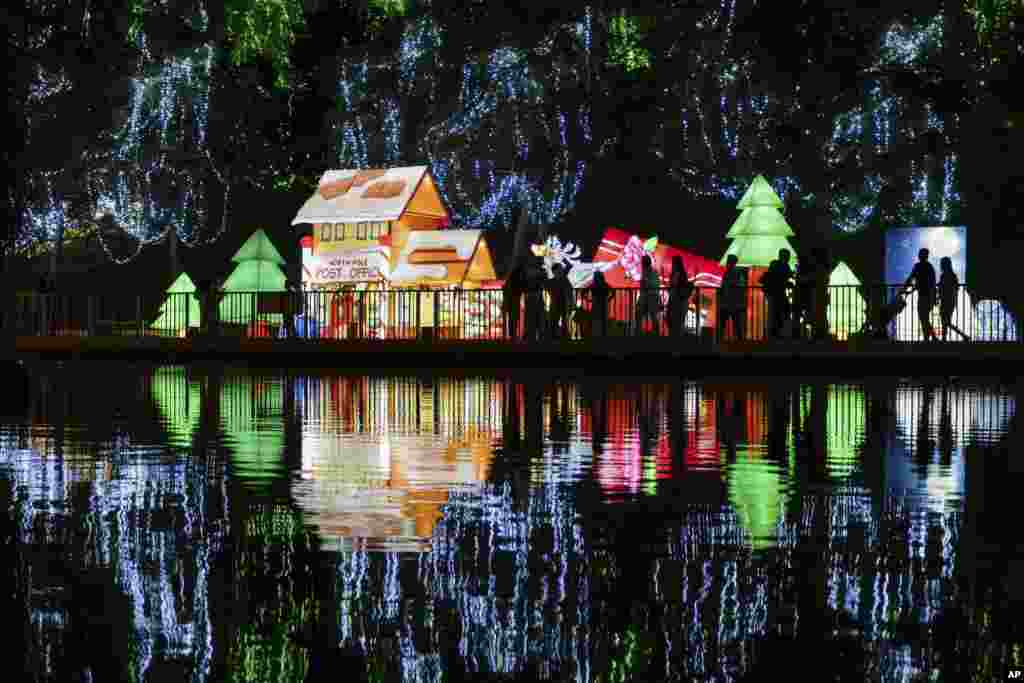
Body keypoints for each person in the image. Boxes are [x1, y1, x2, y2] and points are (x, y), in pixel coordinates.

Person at [904, 247, 937, 341]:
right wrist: (934, 297)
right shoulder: (929, 267)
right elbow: (932, 283)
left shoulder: (918, 266)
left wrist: (905, 289)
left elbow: (911, 278)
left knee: (923, 317)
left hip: (923, 295)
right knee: (924, 317)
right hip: (928, 295)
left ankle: (929, 337)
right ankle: (931, 337)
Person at [938, 256, 970, 341]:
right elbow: (956, 288)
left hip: (946, 301)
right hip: (950, 301)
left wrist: (939, 295)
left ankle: (962, 336)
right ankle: (945, 338)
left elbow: (941, 288)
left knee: (945, 321)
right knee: (946, 321)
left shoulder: (944, 276)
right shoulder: (952, 275)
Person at [763, 249, 793, 339]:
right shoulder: (782, 265)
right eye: (787, 256)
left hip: (775, 293)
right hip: (776, 293)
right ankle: (776, 333)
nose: (787, 258)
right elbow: (782, 278)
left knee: (776, 313)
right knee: (778, 313)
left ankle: (775, 333)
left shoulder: (776, 264)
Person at [717, 254, 746, 341]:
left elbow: (739, 286)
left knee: (727, 322)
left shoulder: (733, 273)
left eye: (729, 261)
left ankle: (721, 340)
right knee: (735, 323)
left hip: (730, 302)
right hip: (732, 302)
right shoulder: (735, 273)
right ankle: (739, 340)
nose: (727, 263)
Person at [667, 255, 695, 337]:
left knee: (674, 321)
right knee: (678, 322)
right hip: (680, 300)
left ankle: (674, 339)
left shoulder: (676, 274)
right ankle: (678, 339)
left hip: (676, 300)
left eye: (674, 263)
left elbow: (673, 285)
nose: (673, 265)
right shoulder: (682, 274)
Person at [634, 255, 661, 335]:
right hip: (646, 297)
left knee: (652, 316)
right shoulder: (648, 271)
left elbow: (654, 284)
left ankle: (655, 332)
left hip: (650, 297)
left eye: (643, 262)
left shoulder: (651, 272)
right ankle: (640, 332)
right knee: (643, 314)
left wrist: (645, 281)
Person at [547, 263, 574, 339]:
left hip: (563, 303)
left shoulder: (563, 280)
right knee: (554, 322)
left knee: (563, 322)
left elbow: (570, 291)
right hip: (556, 304)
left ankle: (563, 336)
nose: (561, 271)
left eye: (561, 270)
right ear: (555, 271)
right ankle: (555, 336)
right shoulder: (553, 281)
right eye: (560, 269)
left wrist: (571, 302)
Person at [811, 247, 831, 341]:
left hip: (818, 293)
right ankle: (822, 332)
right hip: (822, 293)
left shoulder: (818, 268)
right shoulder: (825, 267)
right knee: (821, 314)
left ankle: (819, 332)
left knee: (818, 314)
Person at [523, 260, 546, 342]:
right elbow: (543, 282)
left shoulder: (527, 272)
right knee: (537, 318)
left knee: (531, 318)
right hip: (535, 297)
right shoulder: (541, 272)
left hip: (532, 297)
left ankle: (531, 335)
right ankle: (538, 335)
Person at [589, 270, 614, 338]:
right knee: (603, 320)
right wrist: (608, 299)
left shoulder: (593, 285)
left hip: (596, 303)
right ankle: (603, 334)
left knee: (595, 320)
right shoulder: (605, 284)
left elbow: (583, 292)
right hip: (603, 303)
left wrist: (589, 300)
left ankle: (595, 334)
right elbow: (612, 292)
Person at [502, 265, 524, 340]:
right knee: (514, 318)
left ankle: (512, 335)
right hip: (513, 301)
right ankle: (513, 335)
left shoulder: (510, 281)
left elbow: (505, 289)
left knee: (512, 319)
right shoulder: (517, 282)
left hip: (510, 301)